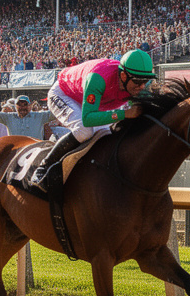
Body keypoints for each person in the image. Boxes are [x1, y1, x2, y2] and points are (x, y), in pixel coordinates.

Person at [29, 49, 154, 192]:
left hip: (93, 100)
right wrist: (123, 114)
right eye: (138, 81)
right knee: (84, 130)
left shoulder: (135, 84)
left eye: (146, 80)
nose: (142, 86)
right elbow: (88, 119)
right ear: (124, 76)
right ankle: (43, 167)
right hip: (64, 94)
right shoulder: (98, 78)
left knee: (107, 134)